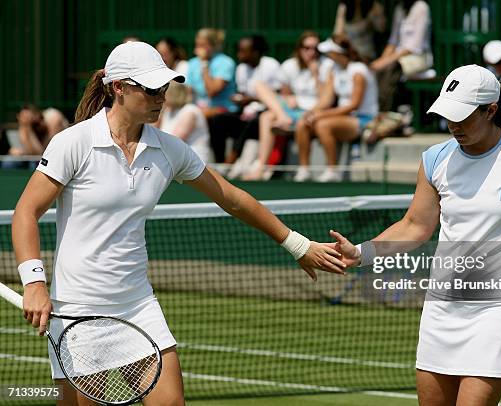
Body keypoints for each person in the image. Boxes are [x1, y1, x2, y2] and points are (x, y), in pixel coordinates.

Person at [13, 41, 346, 406]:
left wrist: (298, 245)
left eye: (164, 88)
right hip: (77, 309)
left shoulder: (170, 149)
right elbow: (25, 213)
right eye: (150, 88)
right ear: (118, 88)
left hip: (137, 304)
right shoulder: (72, 143)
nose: (160, 97)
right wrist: (34, 283)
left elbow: (231, 197)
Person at [328, 64, 501, 405]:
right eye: (448, 114)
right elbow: (415, 225)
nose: (453, 124)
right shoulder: (435, 159)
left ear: (491, 110)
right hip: (442, 309)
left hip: (500, 312)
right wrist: (361, 252)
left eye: (462, 115)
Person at [243, 31, 331, 181]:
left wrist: (315, 74)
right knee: (259, 86)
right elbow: (285, 93)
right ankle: (262, 165)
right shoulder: (290, 65)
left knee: (266, 116)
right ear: (299, 49)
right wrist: (289, 98)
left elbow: (326, 100)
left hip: (311, 113)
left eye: (316, 49)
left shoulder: (327, 66)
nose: (312, 52)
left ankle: (261, 166)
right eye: (307, 48)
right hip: (291, 112)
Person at [293, 35, 378, 183]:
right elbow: (327, 98)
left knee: (322, 124)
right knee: (302, 123)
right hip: (344, 117)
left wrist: (321, 115)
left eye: (329, 52)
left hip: (364, 119)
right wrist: (312, 112)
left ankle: (333, 171)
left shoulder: (358, 71)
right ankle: (304, 169)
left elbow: (354, 105)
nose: (326, 55)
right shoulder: (335, 69)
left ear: (338, 53)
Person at [207, 34, 281, 165]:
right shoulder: (241, 68)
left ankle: (232, 159)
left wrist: (250, 100)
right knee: (217, 120)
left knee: (250, 122)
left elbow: (276, 96)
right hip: (246, 111)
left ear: (255, 52)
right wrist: (240, 100)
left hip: (267, 113)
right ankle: (220, 162)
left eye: (243, 51)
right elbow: (242, 94)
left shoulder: (271, 65)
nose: (239, 55)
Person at [370, 0, 432, 112]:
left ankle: (385, 111)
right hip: (399, 57)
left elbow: (414, 47)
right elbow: (393, 42)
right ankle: (375, 109)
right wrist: (380, 61)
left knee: (392, 67)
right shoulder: (400, 8)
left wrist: (386, 61)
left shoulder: (421, 7)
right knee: (378, 68)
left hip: (418, 58)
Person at [185, 28, 237, 119]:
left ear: (213, 46)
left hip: (222, 109)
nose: (198, 49)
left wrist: (204, 63)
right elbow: (187, 91)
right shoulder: (193, 63)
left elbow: (212, 91)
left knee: (193, 117)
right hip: (199, 107)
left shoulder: (225, 62)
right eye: (197, 45)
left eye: (203, 46)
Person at [159, 82, 210, 162]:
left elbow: (175, 140)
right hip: (174, 157)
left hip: (194, 160)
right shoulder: (168, 111)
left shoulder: (190, 111)